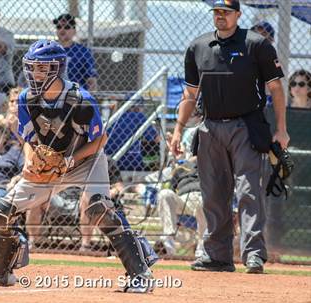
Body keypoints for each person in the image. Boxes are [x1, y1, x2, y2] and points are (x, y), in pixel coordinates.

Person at [0, 39, 154, 293]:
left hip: (86, 161)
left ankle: (140, 273)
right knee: (1, 211)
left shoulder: (80, 99)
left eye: (43, 68)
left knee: (99, 208)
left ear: (58, 68)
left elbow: (100, 139)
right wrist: (31, 159)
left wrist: (70, 160)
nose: (36, 74)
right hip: (48, 166)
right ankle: (0, 273)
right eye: (33, 68)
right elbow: (28, 138)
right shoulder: (26, 99)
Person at [170, 0, 289, 274]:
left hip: (245, 125)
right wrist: (178, 129)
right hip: (209, 126)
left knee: (249, 190)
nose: (220, 16)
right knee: (213, 193)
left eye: (226, 12)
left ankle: (254, 255)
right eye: (216, 12)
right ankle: (217, 256)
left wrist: (281, 129)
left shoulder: (256, 44)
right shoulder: (198, 46)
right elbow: (190, 95)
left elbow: (276, 88)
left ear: (238, 14)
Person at [156, 156, 206, 257]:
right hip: (183, 200)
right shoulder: (180, 169)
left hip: (202, 197)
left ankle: (202, 246)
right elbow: (172, 189)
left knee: (203, 201)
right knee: (165, 193)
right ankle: (168, 242)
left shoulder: (211, 166)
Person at [104, 96, 159, 171]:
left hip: (110, 162)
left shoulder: (115, 117)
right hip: (133, 162)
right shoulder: (139, 116)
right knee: (156, 155)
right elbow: (156, 139)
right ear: (138, 106)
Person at [53, 13, 98, 92]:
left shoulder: (83, 52)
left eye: (67, 27)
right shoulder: (49, 50)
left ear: (74, 31)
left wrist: (87, 99)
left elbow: (92, 81)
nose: (62, 30)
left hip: (76, 95)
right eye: (59, 27)